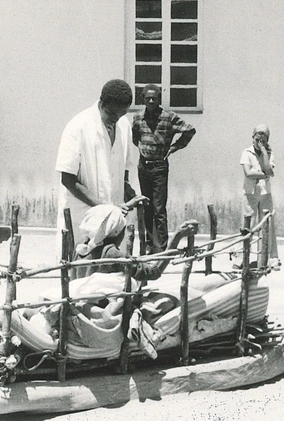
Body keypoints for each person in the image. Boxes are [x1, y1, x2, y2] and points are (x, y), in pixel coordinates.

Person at [55, 79, 140, 252]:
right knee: (80, 269)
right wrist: (104, 207)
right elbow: (68, 179)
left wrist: (127, 190)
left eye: (121, 113)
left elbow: (123, 168)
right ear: (101, 103)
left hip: (114, 219)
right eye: (111, 113)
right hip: (84, 216)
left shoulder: (124, 126)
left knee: (111, 270)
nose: (115, 119)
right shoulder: (77, 126)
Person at [131, 84, 196, 254]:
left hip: (159, 167)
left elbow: (189, 130)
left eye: (154, 98)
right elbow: (135, 137)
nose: (151, 101)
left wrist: (175, 147)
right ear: (142, 99)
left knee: (159, 208)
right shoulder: (138, 117)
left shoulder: (168, 117)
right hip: (143, 166)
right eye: (148, 98)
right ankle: (148, 245)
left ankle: (161, 248)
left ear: (159, 99)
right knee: (147, 206)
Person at [72, 203, 199, 281]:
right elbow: (153, 273)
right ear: (116, 232)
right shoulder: (111, 253)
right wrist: (176, 238)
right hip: (101, 308)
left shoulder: (82, 246)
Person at [240, 124, 280, 269]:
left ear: (267, 139)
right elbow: (248, 173)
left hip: (265, 193)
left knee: (268, 225)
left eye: (263, 135)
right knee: (247, 225)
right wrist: (266, 174)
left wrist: (264, 153)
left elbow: (269, 168)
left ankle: (271, 258)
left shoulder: (269, 153)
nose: (260, 137)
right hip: (250, 193)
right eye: (258, 134)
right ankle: (244, 258)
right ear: (253, 136)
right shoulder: (246, 152)